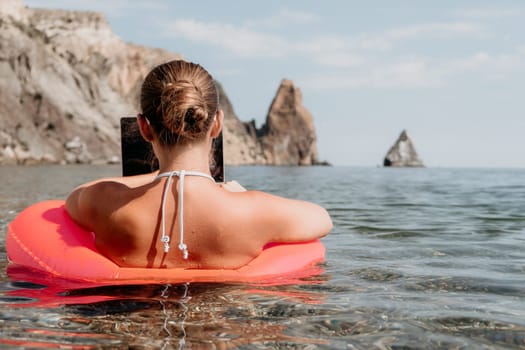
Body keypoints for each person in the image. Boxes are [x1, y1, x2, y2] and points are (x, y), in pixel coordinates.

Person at [66, 60, 332, 269]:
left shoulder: (106, 204)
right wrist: (235, 194)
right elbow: (323, 219)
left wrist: (150, 178)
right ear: (216, 124)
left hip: (135, 330)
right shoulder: (252, 211)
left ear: (144, 129)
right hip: (221, 332)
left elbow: (75, 197)